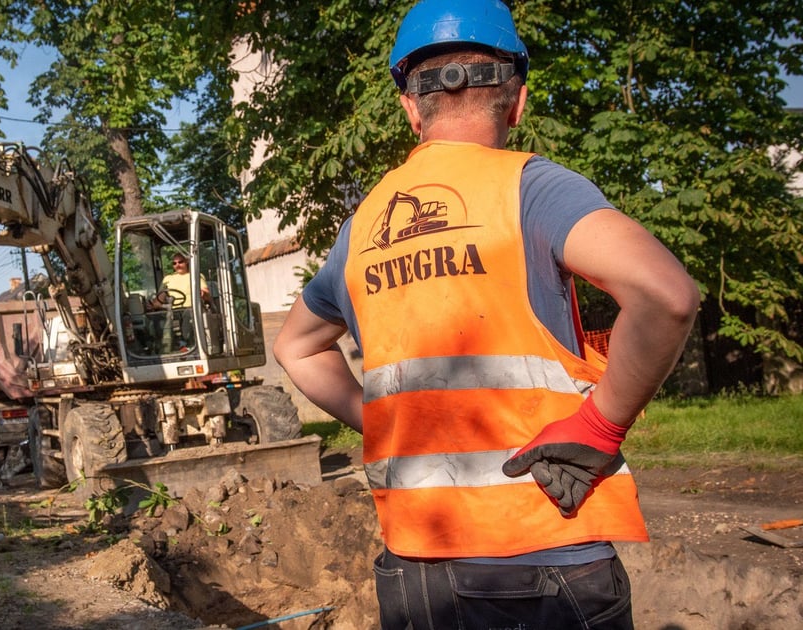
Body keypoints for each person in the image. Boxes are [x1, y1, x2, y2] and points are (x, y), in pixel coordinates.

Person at [272, 1, 700, 628]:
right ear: (517, 101)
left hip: (415, 566)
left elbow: (296, 349)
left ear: (410, 108)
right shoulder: (533, 188)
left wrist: (385, 422)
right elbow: (666, 295)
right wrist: (600, 429)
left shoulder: (362, 227)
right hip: (545, 550)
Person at [149, 252, 211, 350]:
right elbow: (159, 298)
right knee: (156, 319)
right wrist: (152, 305)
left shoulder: (195, 276)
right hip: (173, 311)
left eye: (180, 262)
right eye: (174, 263)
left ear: (186, 262)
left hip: (192, 308)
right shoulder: (168, 279)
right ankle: (163, 349)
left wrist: (203, 294)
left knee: (188, 314)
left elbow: (206, 294)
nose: (177, 265)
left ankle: (189, 345)